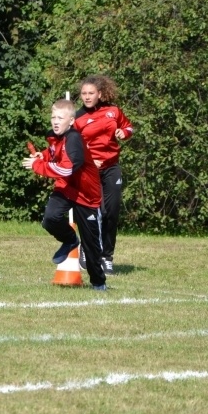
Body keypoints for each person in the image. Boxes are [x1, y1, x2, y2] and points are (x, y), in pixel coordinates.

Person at [23, 98, 107, 290]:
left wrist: (38, 165)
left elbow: (67, 169)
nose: (55, 121)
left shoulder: (74, 139)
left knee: (91, 244)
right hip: (67, 188)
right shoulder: (54, 135)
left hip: (86, 193)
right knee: (50, 219)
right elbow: (55, 152)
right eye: (53, 116)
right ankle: (70, 240)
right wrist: (43, 156)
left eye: (60, 117)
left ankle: (98, 283)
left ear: (71, 121)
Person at [74, 75, 133, 275]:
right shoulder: (78, 118)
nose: (87, 97)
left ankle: (107, 256)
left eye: (91, 93)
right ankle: (86, 248)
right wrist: (88, 160)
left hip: (111, 167)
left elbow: (128, 126)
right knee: (93, 213)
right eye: (84, 93)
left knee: (111, 212)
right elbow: (72, 146)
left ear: (100, 94)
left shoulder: (113, 111)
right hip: (89, 170)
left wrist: (124, 133)